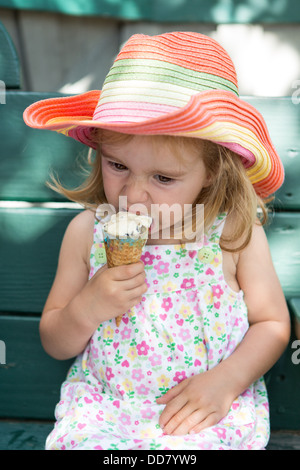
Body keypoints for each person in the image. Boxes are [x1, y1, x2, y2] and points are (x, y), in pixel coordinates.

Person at [24, 31, 290, 450]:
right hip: (106, 409)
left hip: (199, 413)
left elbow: (272, 323)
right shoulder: (87, 233)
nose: (133, 194)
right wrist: (88, 306)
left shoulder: (233, 233)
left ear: (213, 173)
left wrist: (225, 382)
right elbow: (55, 340)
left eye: (163, 178)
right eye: (117, 166)